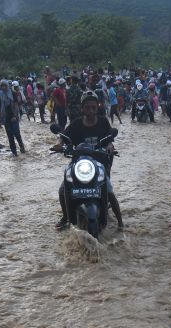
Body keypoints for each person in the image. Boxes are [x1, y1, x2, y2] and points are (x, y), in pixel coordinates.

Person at [53, 91, 124, 230]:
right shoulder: (76, 123)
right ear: (82, 108)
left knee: (108, 190)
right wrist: (59, 145)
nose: (90, 110)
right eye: (87, 107)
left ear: (97, 108)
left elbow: (110, 140)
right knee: (63, 189)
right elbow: (63, 136)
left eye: (93, 107)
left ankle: (120, 222)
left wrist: (110, 147)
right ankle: (66, 217)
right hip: (78, 162)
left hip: (99, 163)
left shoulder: (103, 121)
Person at [0, 80, 25, 156]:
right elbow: (0, 109)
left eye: (5, 85)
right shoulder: (0, 96)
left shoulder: (13, 94)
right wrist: (0, 121)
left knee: (17, 134)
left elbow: (16, 106)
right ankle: (14, 152)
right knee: (10, 136)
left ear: (7, 86)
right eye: (2, 86)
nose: (3, 87)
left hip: (14, 117)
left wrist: (15, 116)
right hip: (6, 119)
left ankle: (22, 147)